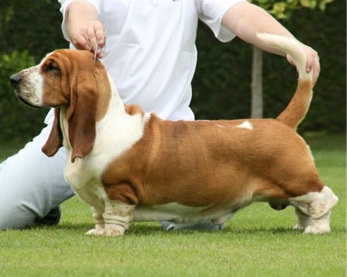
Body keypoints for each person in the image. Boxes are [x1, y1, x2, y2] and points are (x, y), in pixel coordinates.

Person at [0, 0, 320, 230]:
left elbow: (240, 13)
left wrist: (292, 43)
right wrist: (83, 26)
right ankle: (44, 206)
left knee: (198, 227)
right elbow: (78, 10)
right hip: (80, 136)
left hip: (171, 149)